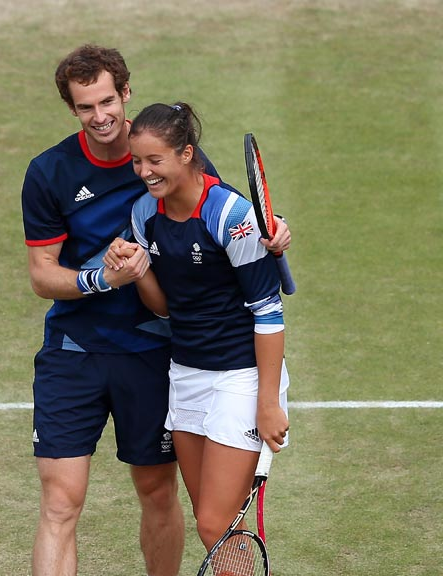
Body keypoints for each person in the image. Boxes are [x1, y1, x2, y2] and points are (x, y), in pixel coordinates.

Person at [20, 45, 291, 576]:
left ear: (125, 93)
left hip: (156, 355)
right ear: (71, 109)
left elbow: (231, 216)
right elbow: (41, 274)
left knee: (163, 494)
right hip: (76, 353)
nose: (100, 117)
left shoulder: (171, 153)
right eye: (84, 107)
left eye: (106, 101)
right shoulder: (50, 172)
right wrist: (107, 276)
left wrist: (274, 227)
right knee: (59, 501)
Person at [109, 101, 290, 554]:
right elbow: (165, 309)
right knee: (214, 525)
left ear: (186, 154)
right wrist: (138, 271)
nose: (144, 171)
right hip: (186, 374)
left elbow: (268, 313)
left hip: (240, 379)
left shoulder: (232, 217)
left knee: (215, 523)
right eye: (137, 161)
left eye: (155, 160)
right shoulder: (142, 215)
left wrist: (267, 403)